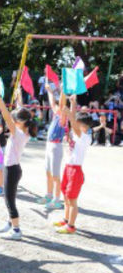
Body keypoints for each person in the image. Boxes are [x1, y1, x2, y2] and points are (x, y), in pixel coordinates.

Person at [0, 91, 37, 240]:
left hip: (12, 169)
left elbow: (7, 116)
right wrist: (19, 98)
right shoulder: (24, 129)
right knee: (9, 197)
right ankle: (10, 223)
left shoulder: (17, 132)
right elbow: (21, 112)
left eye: (14, 118)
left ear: (19, 121)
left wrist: (0, 100)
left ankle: (16, 230)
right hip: (12, 168)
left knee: (9, 200)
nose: (12, 119)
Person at [53, 96, 93, 234]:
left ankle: (71, 226)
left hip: (75, 170)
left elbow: (73, 124)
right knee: (65, 196)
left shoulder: (85, 136)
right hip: (68, 168)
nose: (74, 123)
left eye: (77, 122)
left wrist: (70, 114)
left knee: (72, 200)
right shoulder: (77, 133)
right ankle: (66, 219)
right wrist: (73, 103)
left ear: (85, 125)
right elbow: (73, 123)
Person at [37, 84, 67, 209]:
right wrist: (49, 91)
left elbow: (61, 103)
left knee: (55, 175)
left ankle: (57, 200)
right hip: (49, 146)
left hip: (56, 147)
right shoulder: (56, 115)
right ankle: (49, 195)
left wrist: (63, 90)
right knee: (48, 172)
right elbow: (52, 103)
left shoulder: (63, 117)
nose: (55, 107)